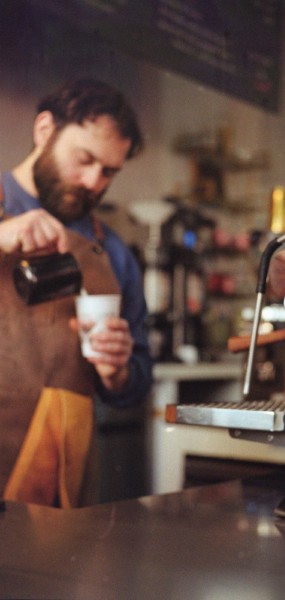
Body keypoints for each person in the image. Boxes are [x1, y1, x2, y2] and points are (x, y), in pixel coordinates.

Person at [0, 78, 152, 508]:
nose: (93, 183)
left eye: (108, 172)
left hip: (60, 486)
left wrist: (119, 371)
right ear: (45, 130)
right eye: (84, 160)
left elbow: (137, 380)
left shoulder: (114, 253)